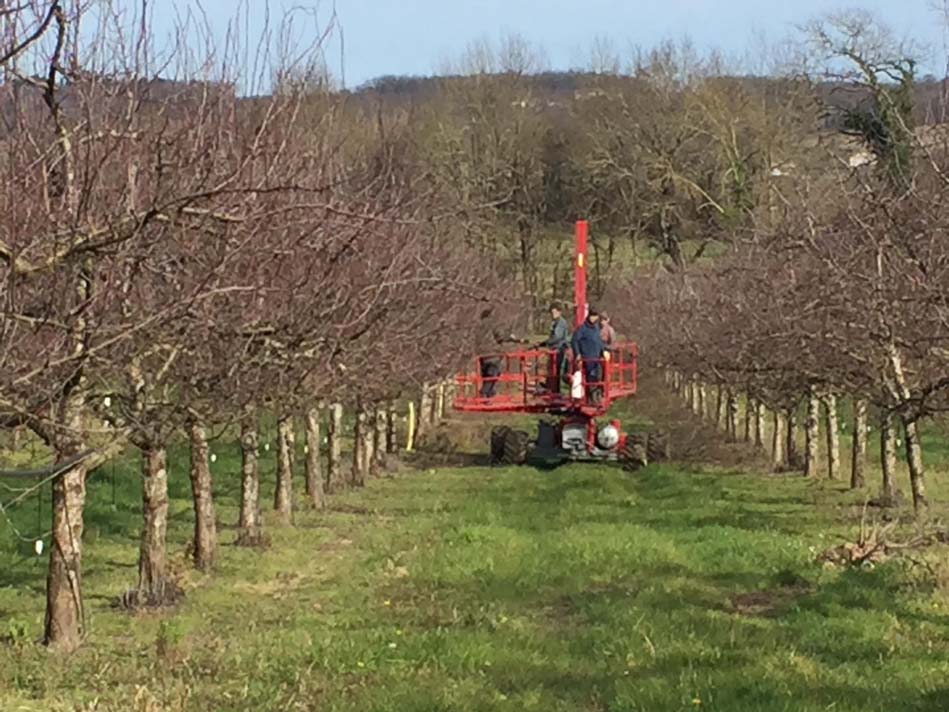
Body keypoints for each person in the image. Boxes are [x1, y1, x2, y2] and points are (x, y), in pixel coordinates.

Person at [571, 308, 608, 403]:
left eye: (595, 316)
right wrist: (578, 354)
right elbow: (574, 341)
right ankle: (591, 399)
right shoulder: (582, 329)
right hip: (587, 357)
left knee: (599, 377)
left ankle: (597, 396)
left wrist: (603, 351)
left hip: (597, 358)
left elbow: (599, 342)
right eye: (592, 316)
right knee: (590, 378)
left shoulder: (596, 328)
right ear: (589, 316)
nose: (593, 318)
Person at [537, 303, 571, 393]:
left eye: (554, 312)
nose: (553, 314)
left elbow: (557, 336)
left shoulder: (560, 323)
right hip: (555, 348)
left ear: (559, 312)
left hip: (559, 349)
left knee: (556, 368)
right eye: (552, 312)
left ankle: (555, 389)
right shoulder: (556, 322)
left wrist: (546, 342)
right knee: (551, 368)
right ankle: (551, 386)